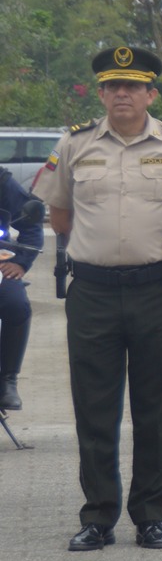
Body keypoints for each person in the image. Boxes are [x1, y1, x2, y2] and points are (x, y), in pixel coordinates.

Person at [36, 45, 162, 551]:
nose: (122, 94)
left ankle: (151, 516)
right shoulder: (75, 144)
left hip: (158, 292)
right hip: (92, 292)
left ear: (150, 94)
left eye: (132, 86)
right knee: (94, 409)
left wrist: (160, 259)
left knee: (154, 408)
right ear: (101, 94)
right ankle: (98, 517)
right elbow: (60, 215)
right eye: (112, 86)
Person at [0, 166, 42, 412]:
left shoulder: (2, 181)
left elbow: (31, 225)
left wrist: (21, 262)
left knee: (16, 304)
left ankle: (8, 380)